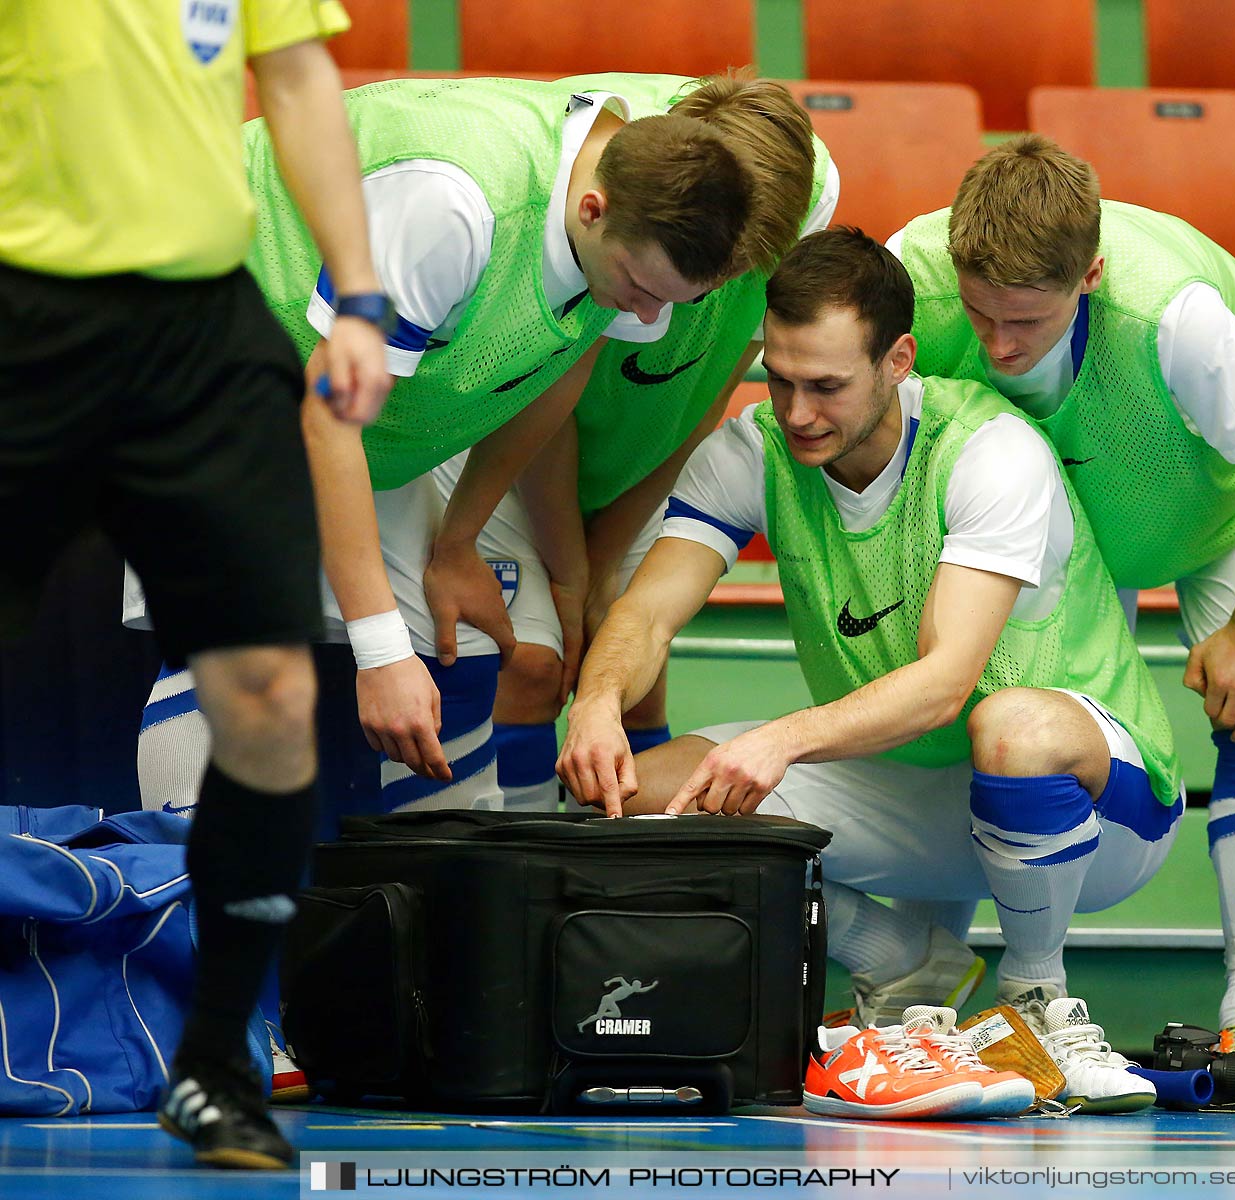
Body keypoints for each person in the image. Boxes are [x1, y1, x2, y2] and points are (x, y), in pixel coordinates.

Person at [558, 228, 1183, 1112]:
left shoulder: (988, 450)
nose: (798, 411)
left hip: (1102, 807)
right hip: (916, 797)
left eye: (826, 386)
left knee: (1012, 725)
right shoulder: (754, 449)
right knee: (631, 800)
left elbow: (945, 683)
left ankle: (1035, 996)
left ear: (897, 360)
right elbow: (648, 610)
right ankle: (903, 959)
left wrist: (780, 741)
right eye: (779, 378)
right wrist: (595, 703)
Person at [134, 74, 782, 821]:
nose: (650, 316)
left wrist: (458, 542)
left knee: (465, 639)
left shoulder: (635, 223)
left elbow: (552, 370)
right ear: (592, 211)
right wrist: (379, 655)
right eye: (640, 288)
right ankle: (181, 904)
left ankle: (438, 910)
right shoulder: (451, 206)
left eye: (674, 299)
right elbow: (326, 419)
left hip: (354, 400)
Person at [1, 1, 390, 1169]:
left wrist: (360, 293)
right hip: (26, 315)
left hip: (203, 333)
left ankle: (216, 1065)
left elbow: (302, 76)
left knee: (269, 699)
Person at [889, 137, 1235, 1082]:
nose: (998, 346)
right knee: (995, 707)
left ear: (1089, 275)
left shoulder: (1178, 317)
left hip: (1217, 500)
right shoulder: (907, 277)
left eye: (1027, 321)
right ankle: (956, 1000)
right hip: (1061, 496)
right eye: (979, 315)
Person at [481, 78, 839, 812]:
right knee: (534, 666)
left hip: (642, 448)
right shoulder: (610, 186)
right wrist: (575, 576)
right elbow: (545, 406)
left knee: (634, 685)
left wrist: (608, 559)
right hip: (514, 439)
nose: (712, 292)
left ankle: (624, 900)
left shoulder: (812, 187)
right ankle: (513, 890)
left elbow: (704, 399)